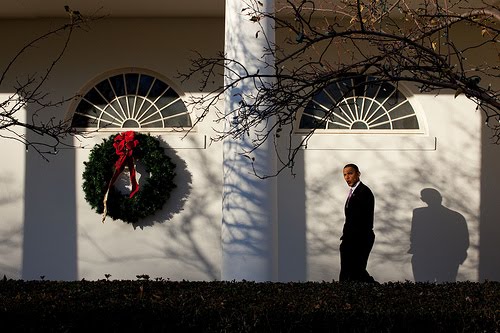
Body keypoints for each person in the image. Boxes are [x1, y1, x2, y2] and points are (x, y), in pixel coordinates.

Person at [339, 163, 377, 283]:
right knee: (351, 272)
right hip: (350, 239)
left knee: (356, 272)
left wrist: (350, 239)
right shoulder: (354, 192)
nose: (347, 177)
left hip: (360, 238)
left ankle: (376, 290)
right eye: (345, 175)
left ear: (358, 174)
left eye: (350, 173)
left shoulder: (364, 192)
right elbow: (349, 218)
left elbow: (361, 219)